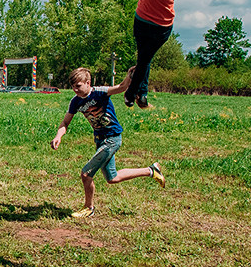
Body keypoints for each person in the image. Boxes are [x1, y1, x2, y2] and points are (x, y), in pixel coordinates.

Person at [50, 65, 165, 219]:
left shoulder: (100, 92)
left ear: (88, 83)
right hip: (100, 140)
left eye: (78, 86)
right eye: (73, 87)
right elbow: (65, 122)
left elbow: (122, 87)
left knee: (86, 174)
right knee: (112, 178)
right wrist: (58, 136)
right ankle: (151, 170)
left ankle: (88, 208)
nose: (75, 90)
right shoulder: (75, 102)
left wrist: (130, 74)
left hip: (112, 139)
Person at [125, 0, 195, 109]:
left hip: (141, 20)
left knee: (144, 58)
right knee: (144, 59)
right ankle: (131, 94)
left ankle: (141, 95)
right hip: (161, 27)